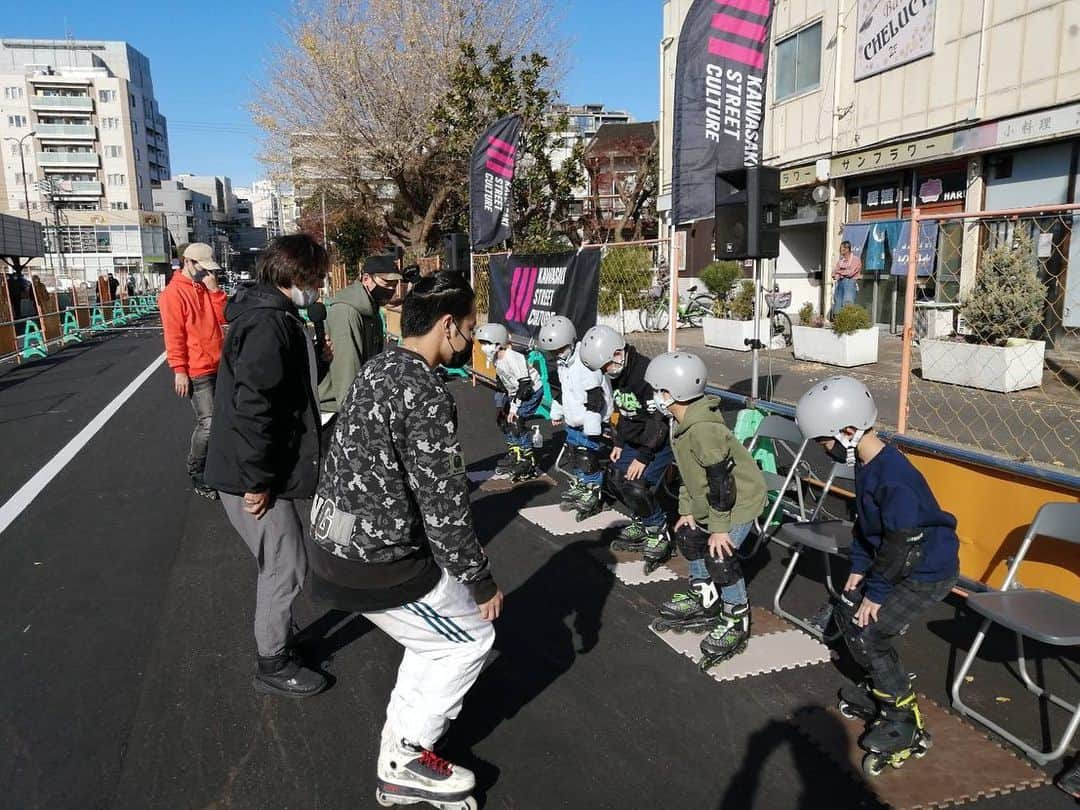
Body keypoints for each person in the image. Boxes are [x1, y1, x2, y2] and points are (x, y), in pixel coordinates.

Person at [308, 271, 500, 807]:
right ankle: (407, 759)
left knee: (432, 639)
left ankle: (401, 749)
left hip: (333, 539)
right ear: (447, 326)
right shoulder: (426, 392)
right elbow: (444, 505)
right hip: (374, 559)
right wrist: (481, 582)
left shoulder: (381, 366)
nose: (471, 340)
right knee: (471, 639)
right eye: (469, 328)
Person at [795, 376, 959, 768]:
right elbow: (869, 528)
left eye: (824, 442)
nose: (824, 450)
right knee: (850, 614)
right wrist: (857, 571)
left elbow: (903, 543)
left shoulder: (894, 479)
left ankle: (904, 718)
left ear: (848, 432)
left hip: (927, 570)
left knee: (871, 632)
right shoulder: (869, 464)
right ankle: (885, 686)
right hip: (898, 559)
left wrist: (877, 591)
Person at [203, 234, 331, 698]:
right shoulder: (266, 324)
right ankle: (273, 661)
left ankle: (278, 639)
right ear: (296, 277)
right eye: (316, 279)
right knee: (285, 562)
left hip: (253, 469)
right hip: (249, 475)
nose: (318, 288)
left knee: (281, 560)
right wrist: (257, 481)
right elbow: (255, 407)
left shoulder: (271, 317)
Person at [644, 352, 767, 669]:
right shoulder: (679, 422)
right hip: (712, 497)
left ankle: (735, 615)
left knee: (720, 556)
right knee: (688, 536)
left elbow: (722, 484)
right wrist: (686, 509)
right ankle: (703, 595)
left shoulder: (702, 429)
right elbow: (688, 472)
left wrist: (720, 528)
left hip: (737, 501)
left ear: (672, 393)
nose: (654, 396)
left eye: (658, 390)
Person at [579, 325, 675, 565]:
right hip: (634, 440)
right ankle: (642, 521)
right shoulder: (617, 373)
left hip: (657, 443)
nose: (605, 372)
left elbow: (658, 421)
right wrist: (619, 442)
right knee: (615, 479)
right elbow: (625, 411)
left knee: (635, 486)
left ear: (618, 354)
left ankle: (658, 530)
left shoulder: (645, 374)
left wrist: (643, 456)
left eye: (605, 367)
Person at [159, 242, 228, 499]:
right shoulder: (172, 295)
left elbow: (224, 317)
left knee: (223, 419)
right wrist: (179, 369)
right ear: (188, 262)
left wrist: (215, 291)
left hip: (218, 363)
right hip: (197, 369)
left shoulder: (205, 287)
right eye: (203, 267)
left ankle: (216, 466)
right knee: (208, 423)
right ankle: (197, 470)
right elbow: (173, 335)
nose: (208, 273)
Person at [537, 316, 612, 516]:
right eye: (554, 352)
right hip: (574, 419)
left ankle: (593, 492)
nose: (558, 355)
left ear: (571, 342)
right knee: (574, 454)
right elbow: (566, 390)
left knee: (587, 456)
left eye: (560, 350)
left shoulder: (584, 360)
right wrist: (557, 409)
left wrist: (592, 424)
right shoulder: (564, 363)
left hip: (591, 419)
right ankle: (582, 484)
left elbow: (595, 396)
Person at [318, 254, 402, 417]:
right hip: (336, 409)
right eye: (386, 283)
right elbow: (346, 370)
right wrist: (355, 417)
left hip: (360, 402)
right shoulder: (347, 312)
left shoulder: (372, 309)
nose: (391, 289)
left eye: (394, 284)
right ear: (366, 279)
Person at [475, 322, 544, 481]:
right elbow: (501, 384)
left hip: (532, 391)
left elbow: (525, 386)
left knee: (516, 421)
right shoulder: (495, 359)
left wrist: (514, 408)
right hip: (515, 392)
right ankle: (515, 451)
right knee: (503, 419)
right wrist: (501, 406)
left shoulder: (514, 358)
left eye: (486, 344)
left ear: (497, 343)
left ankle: (527, 460)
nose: (483, 347)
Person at [831, 240, 862, 317]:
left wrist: (839, 273)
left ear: (847, 249)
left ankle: (848, 323)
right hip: (840, 284)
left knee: (847, 303)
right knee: (837, 302)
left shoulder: (855, 259)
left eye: (842, 249)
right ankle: (838, 322)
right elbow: (833, 273)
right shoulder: (841, 261)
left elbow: (850, 273)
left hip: (850, 283)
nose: (840, 251)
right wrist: (839, 273)